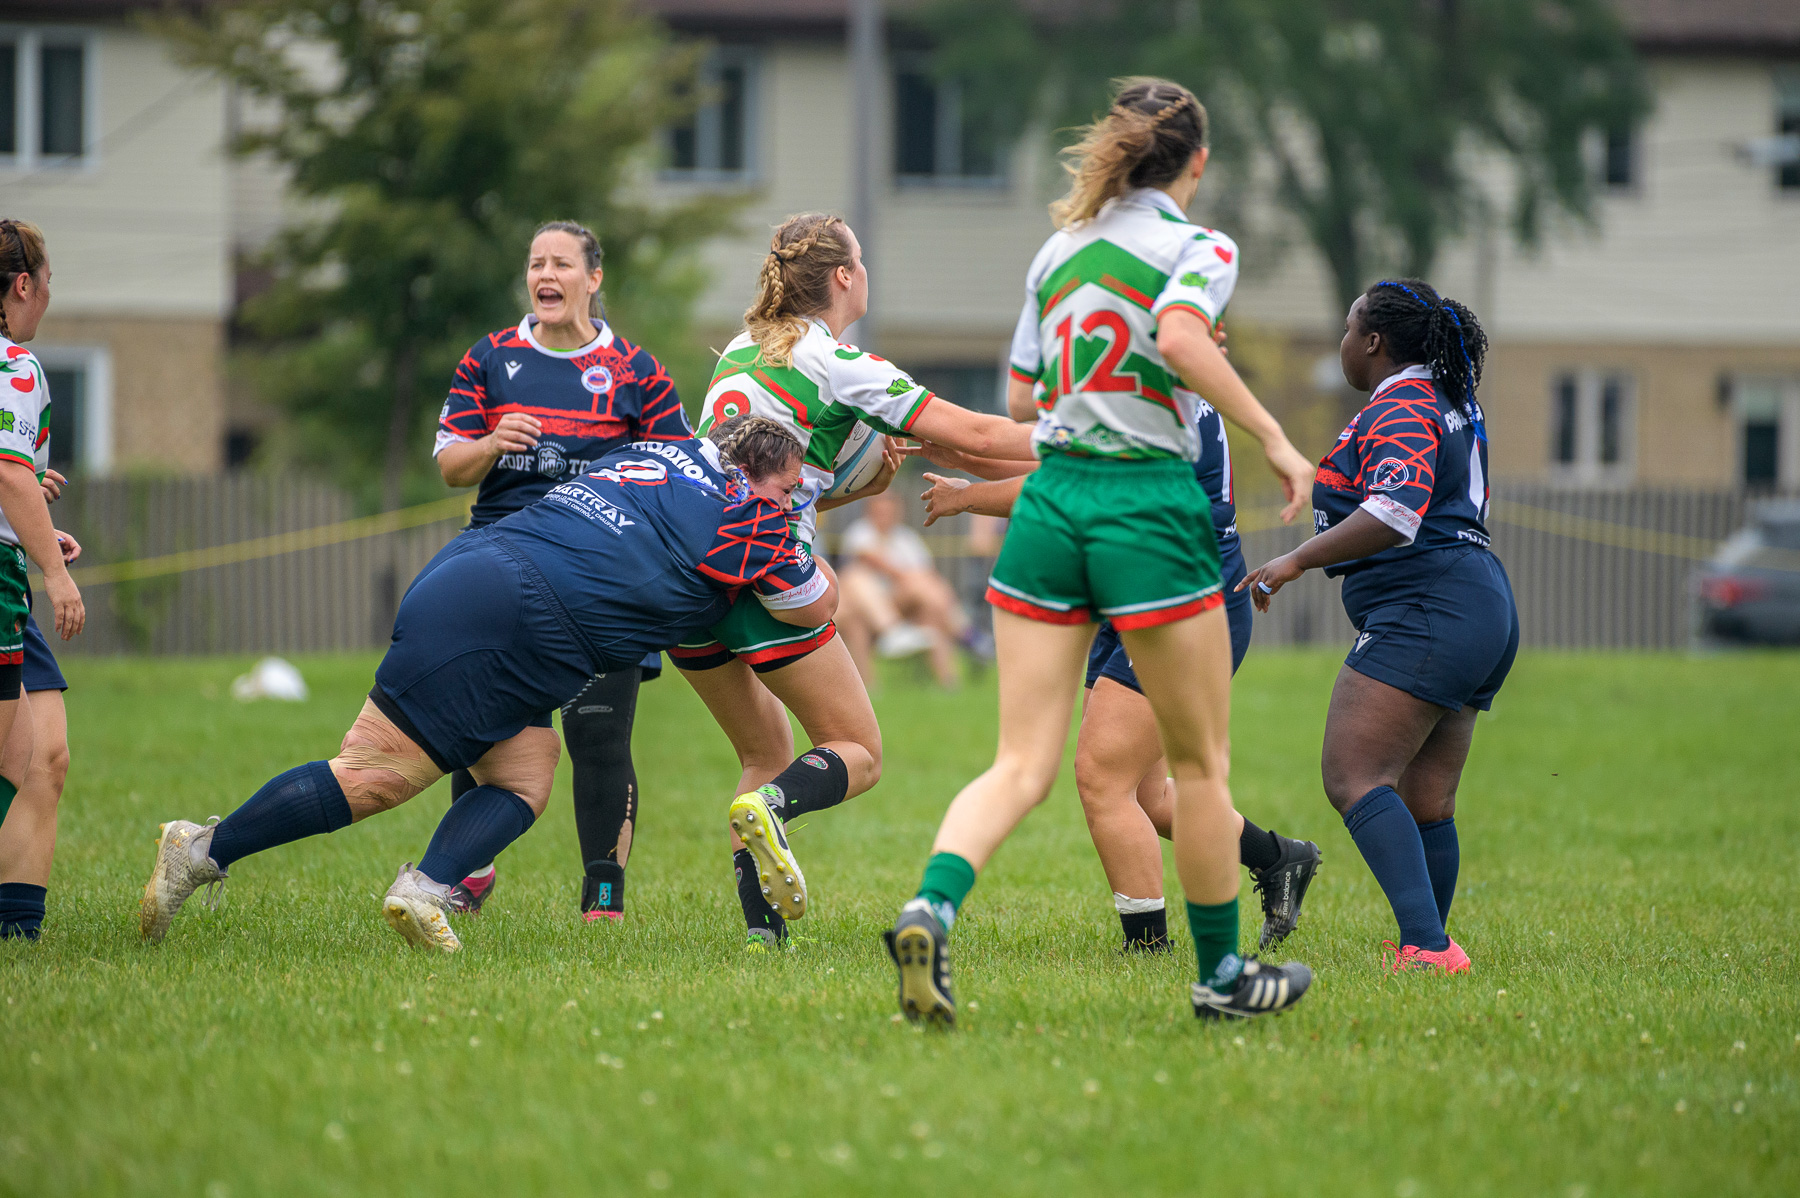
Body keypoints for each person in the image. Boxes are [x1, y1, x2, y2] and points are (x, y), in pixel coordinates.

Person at [884, 78, 1316, 1025]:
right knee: (1198, 771)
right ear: (1197, 163)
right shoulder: (1199, 247)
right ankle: (1221, 978)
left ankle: (930, 910)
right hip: (1147, 509)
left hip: (1052, 511)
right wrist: (1276, 438)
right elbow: (1178, 336)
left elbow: (1029, 405)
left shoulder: (1058, 251)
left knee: (1019, 765)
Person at [137, 422, 833, 954]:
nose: (792, 501)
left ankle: (425, 888)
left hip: (481, 570)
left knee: (525, 774)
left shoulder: (656, 451)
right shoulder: (750, 513)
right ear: (752, 474)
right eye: (789, 488)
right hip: (523, 615)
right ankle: (197, 851)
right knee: (373, 774)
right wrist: (805, 523)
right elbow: (813, 607)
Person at [679, 211, 1038, 949]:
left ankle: (762, 936)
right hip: (766, 577)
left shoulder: (742, 355)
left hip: (686, 575)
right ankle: (775, 808)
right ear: (843, 277)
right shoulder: (841, 364)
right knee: (858, 751)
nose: (867, 272)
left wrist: (863, 481)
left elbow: (795, 475)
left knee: (762, 752)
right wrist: (1087, 436)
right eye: (862, 262)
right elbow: (973, 434)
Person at [1240, 278, 1517, 975]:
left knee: (1355, 775)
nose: (1340, 342)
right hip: (1478, 600)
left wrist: (1295, 560)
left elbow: (1395, 514)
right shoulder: (1453, 398)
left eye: (1346, 327)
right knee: (1427, 798)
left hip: (1429, 606)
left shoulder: (1404, 402)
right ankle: (1430, 943)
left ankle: (1426, 946)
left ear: (1371, 342)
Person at [433, 221, 693, 922]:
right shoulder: (491, 358)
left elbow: (680, 475)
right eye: (535, 264)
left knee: (600, 735)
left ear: (593, 278)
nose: (544, 275)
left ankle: (602, 899)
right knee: (484, 728)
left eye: (560, 264)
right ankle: (468, 873)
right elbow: (452, 465)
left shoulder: (639, 372)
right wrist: (490, 443)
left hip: (604, 580)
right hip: (499, 566)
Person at [0, 219, 86, 942]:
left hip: (10, 572)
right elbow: (5, 470)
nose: (50, 294)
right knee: (8, 757)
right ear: (23, 284)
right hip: (5, 584)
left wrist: (31, 524)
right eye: (49, 279)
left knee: (44, 756)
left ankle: (16, 934)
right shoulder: (13, 365)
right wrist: (55, 574)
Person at [836, 491, 978, 688]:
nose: (884, 517)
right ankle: (967, 634)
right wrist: (910, 578)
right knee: (857, 580)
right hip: (863, 608)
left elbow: (930, 575)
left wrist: (916, 581)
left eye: (888, 512)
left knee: (931, 607)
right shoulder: (860, 532)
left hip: (900, 603)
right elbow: (873, 561)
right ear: (869, 512)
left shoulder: (906, 538)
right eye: (879, 512)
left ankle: (949, 682)